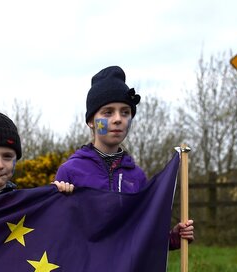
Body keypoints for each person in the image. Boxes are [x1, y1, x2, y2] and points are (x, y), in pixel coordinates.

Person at [54, 65, 194, 248]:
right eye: (108, 112)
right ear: (91, 121)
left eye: (125, 112)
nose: (118, 119)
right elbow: (58, 234)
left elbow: (142, 237)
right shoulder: (70, 172)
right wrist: (56, 199)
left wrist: (174, 238)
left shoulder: (137, 177)